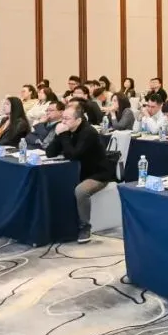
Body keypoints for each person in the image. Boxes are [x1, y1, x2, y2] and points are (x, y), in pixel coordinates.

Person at [46, 102, 110, 243]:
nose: (63, 122)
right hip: (76, 172)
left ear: (78, 120)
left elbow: (73, 155)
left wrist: (63, 135)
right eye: (63, 118)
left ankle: (85, 226)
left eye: (67, 119)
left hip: (97, 174)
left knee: (81, 191)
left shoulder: (88, 133)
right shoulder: (66, 130)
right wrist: (58, 135)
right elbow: (50, 153)